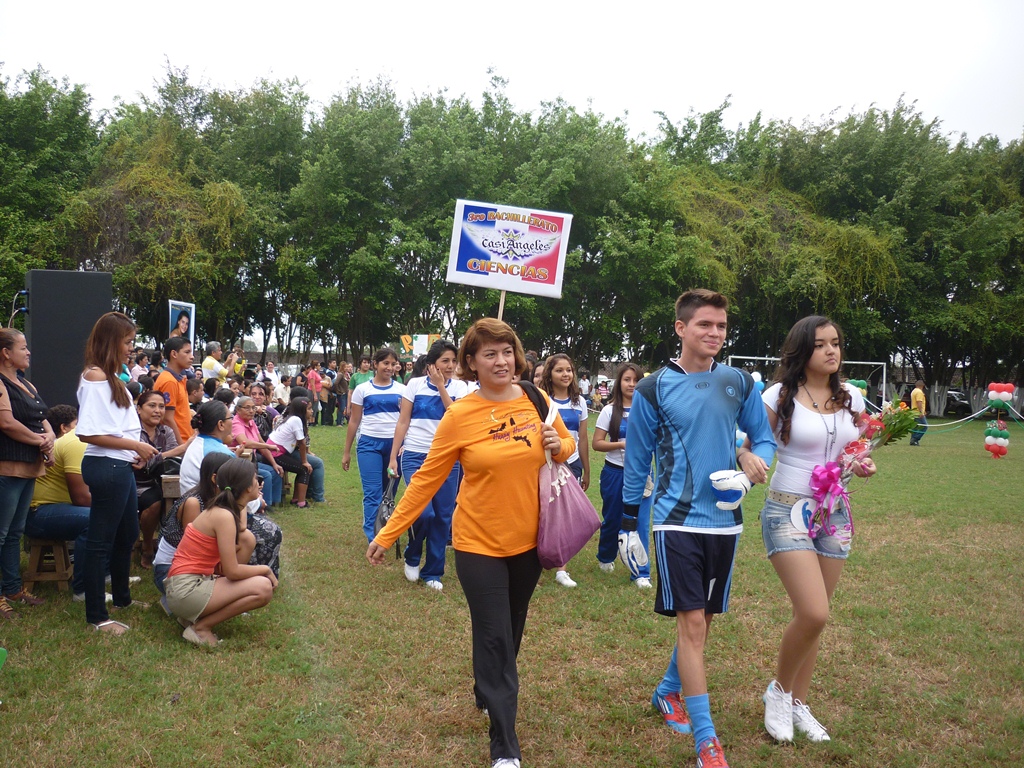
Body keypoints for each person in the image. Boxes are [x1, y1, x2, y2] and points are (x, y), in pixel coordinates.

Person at [367, 318, 574, 768]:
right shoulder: (459, 415)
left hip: (529, 542)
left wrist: (558, 445)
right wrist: (389, 532)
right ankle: (505, 745)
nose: (501, 361)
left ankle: (487, 686)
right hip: (478, 543)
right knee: (495, 635)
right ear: (471, 363)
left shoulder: (535, 399)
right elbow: (426, 480)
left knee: (509, 630)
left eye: (507, 351)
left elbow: (568, 448)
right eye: (489, 354)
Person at [621, 289, 776, 768]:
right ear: (681, 328)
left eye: (721, 326)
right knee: (691, 624)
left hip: (726, 524)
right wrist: (628, 523)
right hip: (675, 521)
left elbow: (764, 439)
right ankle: (707, 743)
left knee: (704, 621)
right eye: (705, 324)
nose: (714, 333)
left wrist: (750, 462)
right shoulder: (653, 388)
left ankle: (667, 691)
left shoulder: (739, 381)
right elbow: (638, 458)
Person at [756, 316, 875, 743]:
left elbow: (859, 446)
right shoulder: (778, 395)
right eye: (821, 344)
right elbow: (751, 442)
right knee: (814, 612)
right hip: (786, 509)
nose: (831, 351)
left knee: (815, 618)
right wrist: (747, 458)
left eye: (836, 343)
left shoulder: (852, 397)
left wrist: (862, 462)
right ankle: (779, 692)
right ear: (802, 349)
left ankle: (798, 703)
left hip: (834, 513)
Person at [76, 312, 159, 635]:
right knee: (100, 543)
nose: (131, 348)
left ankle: (122, 599)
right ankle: (97, 616)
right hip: (106, 466)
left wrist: (131, 452)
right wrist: (134, 446)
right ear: (111, 342)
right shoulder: (96, 377)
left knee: (127, 534)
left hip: (118, 464)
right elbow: (88, 433)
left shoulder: (110, 377)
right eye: (127, 342)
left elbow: (114, 428)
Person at [164, 457, 277, 646]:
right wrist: (265, 569)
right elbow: (231, 571)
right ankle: (201, 628)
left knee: (248, 542)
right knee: (263, 587)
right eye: (256, 479)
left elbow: (227, 562)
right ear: (247, 487)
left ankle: (193, 617)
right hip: (185, 591)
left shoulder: (221, 511)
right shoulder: (223, 516)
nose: (259, 483)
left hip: (184, 587)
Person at [387, 339, 468, 590]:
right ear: (431, 364)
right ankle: (412, 554)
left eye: (453, 361)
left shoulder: (461, 387)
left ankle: (433, 572)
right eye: (445, 361)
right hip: (414, 455)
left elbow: (456, 418)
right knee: (423, 512)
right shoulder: (414, 385)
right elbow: (403, 421)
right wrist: (393, 456)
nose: (451, 365)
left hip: (448, 458)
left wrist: (442, 386)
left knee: (443, 516)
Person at [0, 328, 55, 618]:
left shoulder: (25, 383)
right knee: (1, 534)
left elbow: (42, 416)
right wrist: (40, 441)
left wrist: (50, 439)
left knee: (13, 534)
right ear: (6, 353)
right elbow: (6, 423)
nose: (28, 352)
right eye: (22, 348)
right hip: (7, 468)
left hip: (28, 469)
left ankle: (12, 589)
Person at [539, 353, 590, 588]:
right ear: (549, 374)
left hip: (573, 463)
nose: (565, 374)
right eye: (559, 370)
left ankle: (562, 568)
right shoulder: (542, 400)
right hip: (547, 464)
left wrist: (586, 469)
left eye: (568, 370)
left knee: (565, 516)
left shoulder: (580, 403)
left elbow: (583, 438)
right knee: (544, 513)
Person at [344, 348, 405, 541]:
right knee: (372, 493)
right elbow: (354, 421)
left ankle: (385, 530)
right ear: (375, 364)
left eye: (393, 364)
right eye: (385, 363)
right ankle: (374, 538)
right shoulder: (363, 389)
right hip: (369, 445)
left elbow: (406, 421)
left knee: (389, 492)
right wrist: (346, 452)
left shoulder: (402, 390)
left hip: (395, 447)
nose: (389, 367)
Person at [153, 452, 231, 598]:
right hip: (170, 571)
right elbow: (193, 548)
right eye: (231, 476)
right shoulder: (194, 502)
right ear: (215, 478)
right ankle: (176, 600)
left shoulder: (215, 499)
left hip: (192, 566)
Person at [135, 390, 191, 568]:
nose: (157, 410)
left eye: (161, 406)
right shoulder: (132, 432)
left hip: (158, 483)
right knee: (154, 503)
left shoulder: (166, 431)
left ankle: (169, 546)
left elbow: (174, 460)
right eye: (152, 406)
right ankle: (147, 546)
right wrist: (173, 452)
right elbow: (137, 462)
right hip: (133, 483)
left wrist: (158, 457)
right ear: (139, 409)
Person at [266, 397, 326, 507]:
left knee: (301, 469)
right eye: (309, 409)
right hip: (275, 453)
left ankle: (296, 499)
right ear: (301, 410)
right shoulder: (296, 420)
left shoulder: (292, 418)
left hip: (276, 452)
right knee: (304, 469)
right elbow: (302, 443)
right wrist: (304, 462)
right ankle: (301, 503)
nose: (312, 411)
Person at [231, 395, 284, 509]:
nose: (251, 411)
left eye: (253, 408)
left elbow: (261, 445)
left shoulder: (251, 422)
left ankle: (275, 503)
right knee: (266, 475)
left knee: (275, 471)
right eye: (247, 408)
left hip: (253, 460)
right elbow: (245, 442)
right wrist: (268, 446)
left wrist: (274, 463)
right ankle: (264, 505)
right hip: (242, 462)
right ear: (238, 409)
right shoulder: (236, 423)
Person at [154, 336, 195, 445]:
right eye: (187, 352)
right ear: (174, 354)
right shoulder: (169, 381)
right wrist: (181, 445)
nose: (192, 357)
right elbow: (167, 418)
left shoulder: (176, 379)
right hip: (177, 443)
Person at [909, 380, 927, 445]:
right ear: (922, 386)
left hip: (913, 412)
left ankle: (913, 440)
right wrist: (921, 412)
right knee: (924, 426)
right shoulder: (919, 392)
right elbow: (919, 402)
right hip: (917, 413)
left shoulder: (914, 391)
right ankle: (915, 439)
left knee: (915, 427)